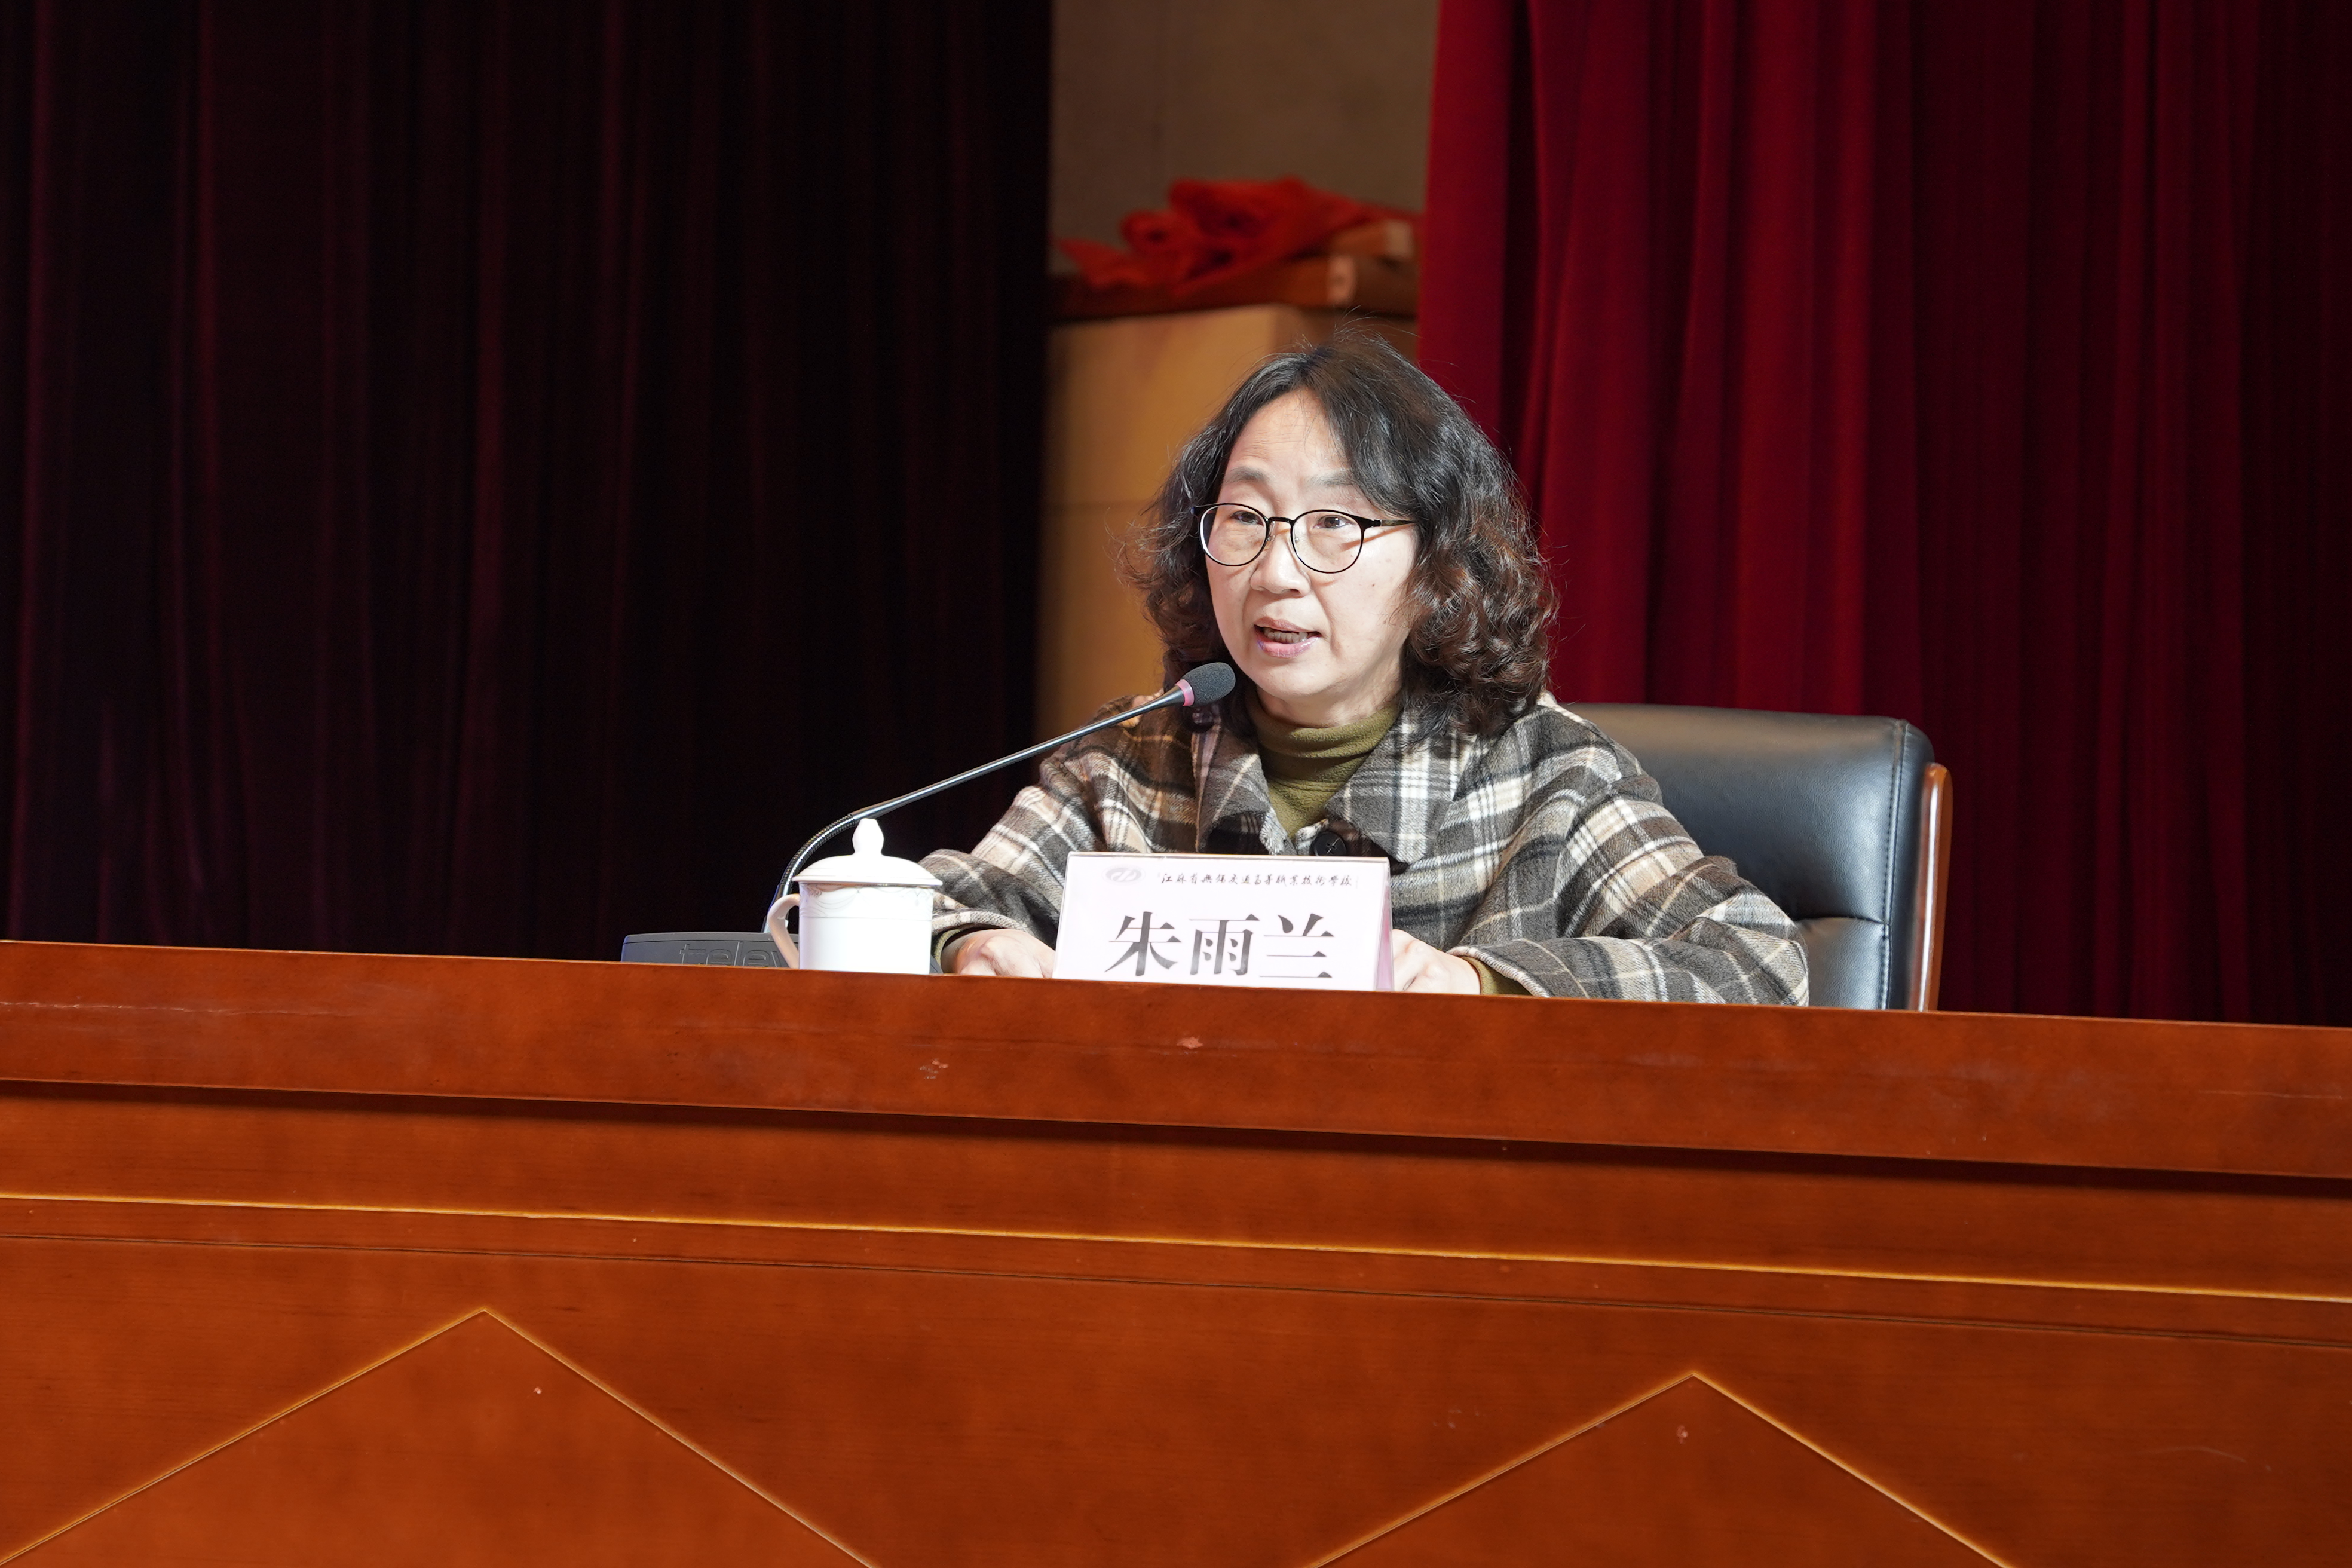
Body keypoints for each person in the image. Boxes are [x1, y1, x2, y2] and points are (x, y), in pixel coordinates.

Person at [924, 330, 1808, 1002]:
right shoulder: (1127, 763)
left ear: (1437, 567)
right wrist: (967, 946)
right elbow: (929, 904)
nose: (1277, 572)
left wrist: (1483, 983)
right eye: (1246, 519)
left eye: (1336, 525)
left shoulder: (1545, 774)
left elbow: (1757, 963)